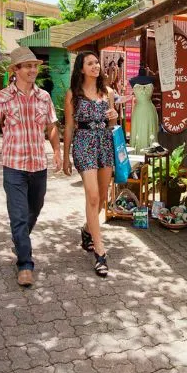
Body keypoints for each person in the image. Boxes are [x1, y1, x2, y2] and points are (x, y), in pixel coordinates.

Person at [0, 47, 62, 288]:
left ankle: (20, 239)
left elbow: (52, 126)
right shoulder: (2, 97)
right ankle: (25, 264)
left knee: (34, 211)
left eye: (35, 66)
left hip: (38, 164)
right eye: (27, 66)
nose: (33, 70)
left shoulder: (44, 97)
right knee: (17, 216)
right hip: (13, 166)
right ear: (15, 70)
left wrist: (56, 151)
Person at [63, 51, 118, 277]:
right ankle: (100, 252)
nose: (96, 66)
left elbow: (112, 122)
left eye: (97, 62)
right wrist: (65, 155)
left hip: (104, 143)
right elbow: (68, 127)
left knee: (103, 200)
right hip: (84, 143)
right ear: (81, 68)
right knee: (93, 197)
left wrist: (114, 115)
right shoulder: (72, 95)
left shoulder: (109, 92)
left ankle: (87, 230)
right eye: (90, 63)